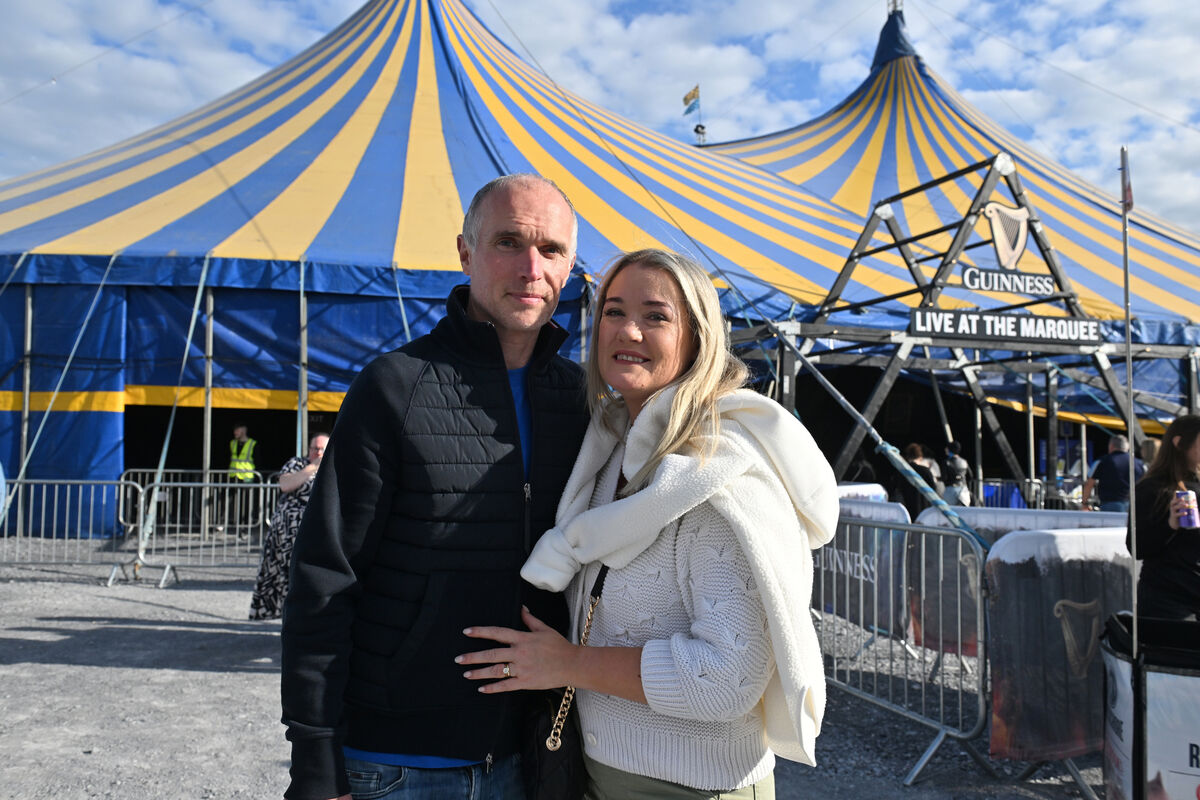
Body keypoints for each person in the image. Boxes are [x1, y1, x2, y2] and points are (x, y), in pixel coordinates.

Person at [456, 249, 839, 797]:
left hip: (694, 787)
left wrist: (569, 664)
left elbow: (727, 679)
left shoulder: (720, 478)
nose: (628, 330)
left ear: (698, 336)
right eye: (613, 311)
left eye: (656, 316)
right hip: (601, 771)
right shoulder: (613, 450)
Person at [279, 174, 589, 800]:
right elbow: (324, 576)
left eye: (552, 250)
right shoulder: (395, 385)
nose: (532, 267)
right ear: (466, 253)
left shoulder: (583, 400)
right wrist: (315, 754)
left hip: (528, 757)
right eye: (509, 242)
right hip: (393, 763)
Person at [248, 433, 329, 621]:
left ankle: (305, 619)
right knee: (284, 579)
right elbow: (285, 484)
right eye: (314, 448)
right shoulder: (297, 464)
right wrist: (311, 468)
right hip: (285, 536)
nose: (317, 452)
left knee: (308, 581)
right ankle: (287, 619)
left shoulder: (334, 467)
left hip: (315, 536)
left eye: (322, 449)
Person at [1129, 414, 1200, 621]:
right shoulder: (1152, 488)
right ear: (1179, 443)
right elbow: (1137, 547)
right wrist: (1169, 525)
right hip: (1167, 602)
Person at [1082, 434, 1145, 511]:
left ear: (1111, 446)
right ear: (1127, 447)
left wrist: (1085, 503)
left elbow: (1089, 484)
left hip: (1110, 504)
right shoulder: (1140, 464)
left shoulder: (1102, 461)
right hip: (1133, 505)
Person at [890, 443, 938, 520]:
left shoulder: (901, 471)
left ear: (908, 456)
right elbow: (933, 489)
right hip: (923, 509)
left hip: (905, 509)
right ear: (920, 457)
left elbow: (895, 488)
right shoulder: (925, 471)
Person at [942, 441, 973, 506]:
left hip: (951, 489)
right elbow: (970, 476)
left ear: (950, 449)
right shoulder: (964, 462)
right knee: (964, 511)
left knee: (949, 511)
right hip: (963, 489)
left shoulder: (947, 462)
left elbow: (944, 477)